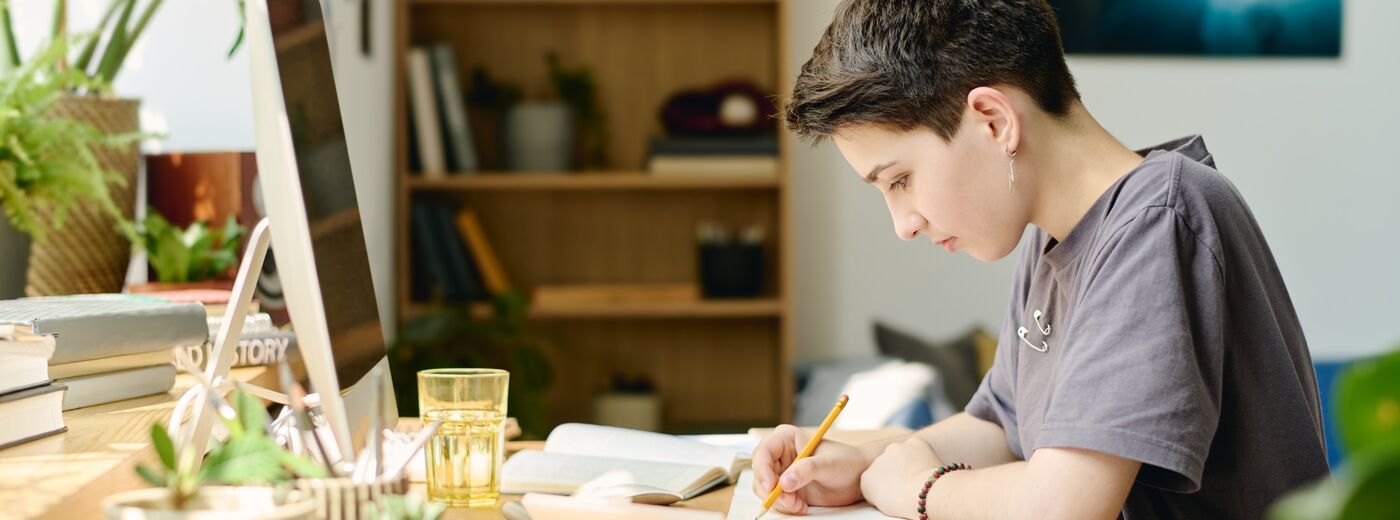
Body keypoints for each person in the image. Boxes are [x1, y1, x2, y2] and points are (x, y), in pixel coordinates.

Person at [753, 1, 1329, 518]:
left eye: (901, 179)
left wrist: (920, 490)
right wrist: (861, 461)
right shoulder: (1054, 236)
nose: (904, 225)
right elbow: (998, 426)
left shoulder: (1159, 219)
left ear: (994, 120)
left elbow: (1067, 506)